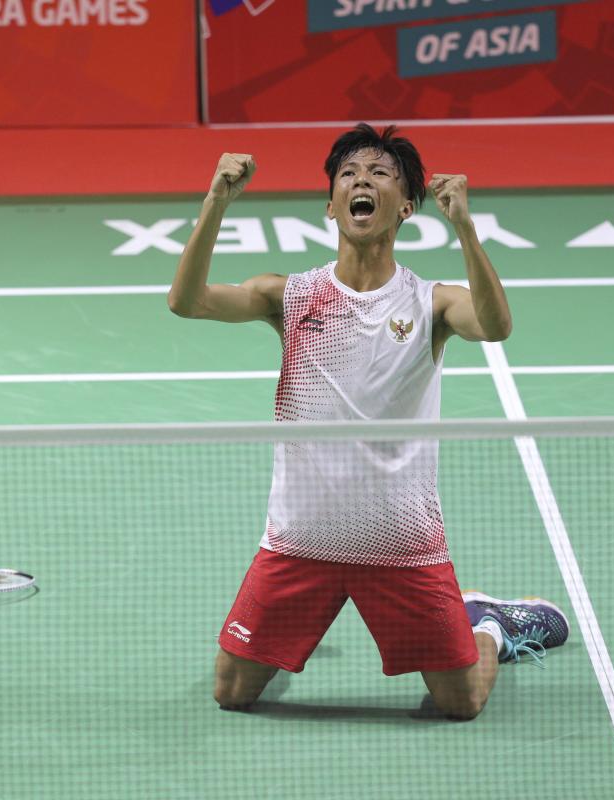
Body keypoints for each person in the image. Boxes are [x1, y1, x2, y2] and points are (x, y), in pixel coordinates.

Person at [167, 123, 570, 721]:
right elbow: (188, 300)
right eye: (349, 174)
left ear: (406, 206)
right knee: (232, 691)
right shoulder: (291, 296)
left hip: (402, 544)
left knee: (461, 702)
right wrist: (215, 202)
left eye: (381, 174)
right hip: (302, 540)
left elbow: (495, 324)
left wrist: (464, 226)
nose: (363, 180)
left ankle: (487, 624)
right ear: (331, 204)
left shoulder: (429, 303)